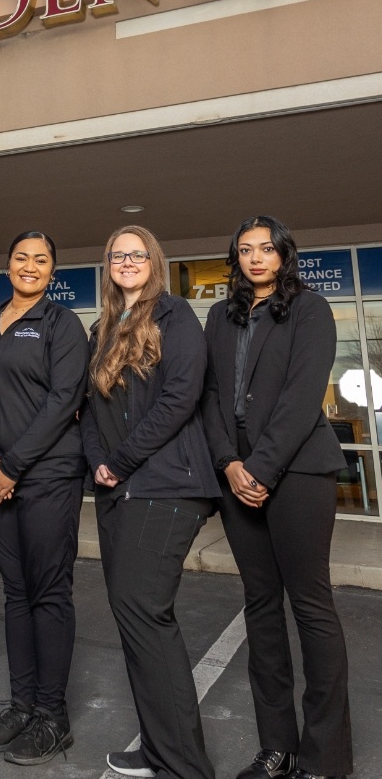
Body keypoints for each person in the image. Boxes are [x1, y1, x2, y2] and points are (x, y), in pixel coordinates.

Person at [201, 216, 352, 779]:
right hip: (236, 473)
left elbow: (303, 393)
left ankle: (324, 758)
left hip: (299, 471)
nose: (256, 258)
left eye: (267, 248)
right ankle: (278, 748)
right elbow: (209, 395)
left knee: (311, 608)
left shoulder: (309, 309)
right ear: (235, 259)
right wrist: (229, 464)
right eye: (245, 250)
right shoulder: (220, 315)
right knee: (261, 608)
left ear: (284, 254)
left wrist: (259, 467)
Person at [80, 225, 220, 779]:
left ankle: (185, 766)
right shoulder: (102, 329)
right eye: (118, 254)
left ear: (153, 261)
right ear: (108, 264)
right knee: (132, 617)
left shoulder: (176, 316)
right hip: (118, 490)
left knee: (145, 612)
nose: (128, 261)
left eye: (138, 254)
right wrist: (98, 464)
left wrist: (122, 461)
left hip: (166, 487)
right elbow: (90, 411)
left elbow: (180, 398)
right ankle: (160, 749)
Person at [0, 232, 89, 766]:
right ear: (8, 263)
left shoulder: (62, 326)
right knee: (16, 593)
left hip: (47, 477)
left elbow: (64, 401)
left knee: (49, 593)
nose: (30, 266)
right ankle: (21, 705)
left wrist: (12, 466)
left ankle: (52, 715)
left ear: (52, 271)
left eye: (42, 259)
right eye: (21, 256)